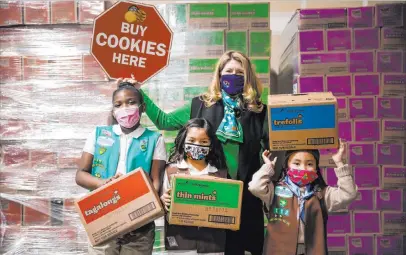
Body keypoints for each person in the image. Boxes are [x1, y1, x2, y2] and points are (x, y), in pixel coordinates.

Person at [120, 50, 275, 255]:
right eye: (228, 71)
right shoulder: (201, 104)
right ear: (219, 75)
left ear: (248, 77)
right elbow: (164, 121)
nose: (234, 76)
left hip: (247, 199)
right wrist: (139, 92)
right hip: (212, 196)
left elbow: (272, 145)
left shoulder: (259, 111)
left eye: (240, 72)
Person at [75, 81, 167, 255]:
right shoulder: (98, 134)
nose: (125, 108)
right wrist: (103, 183)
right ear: (113, 111)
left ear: (142, 106)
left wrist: (136, 211)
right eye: (118, 105)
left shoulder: (155, 139)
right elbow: (80, 175)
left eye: (131, 102)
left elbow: (156, 182)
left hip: (139, 229)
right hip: (103, 222)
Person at [248, 140, 358, 255]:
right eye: (296, 163)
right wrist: (268, 167)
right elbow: (255, 187)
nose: (303, 168)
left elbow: (349, 194)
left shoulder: (322, 194)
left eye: (309, 164)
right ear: (286, 166)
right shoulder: (275, 190)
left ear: (316, 168)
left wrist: (339, 163)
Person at [160, 118, 228, 254]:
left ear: (211, 145)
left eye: (203, 142)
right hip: (180, 245)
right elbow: (161, 204)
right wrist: (163, 200)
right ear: (183, 141)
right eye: (191, 141)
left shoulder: (221, 175)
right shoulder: (170, 171)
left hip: (212, 246)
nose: (197, 145)